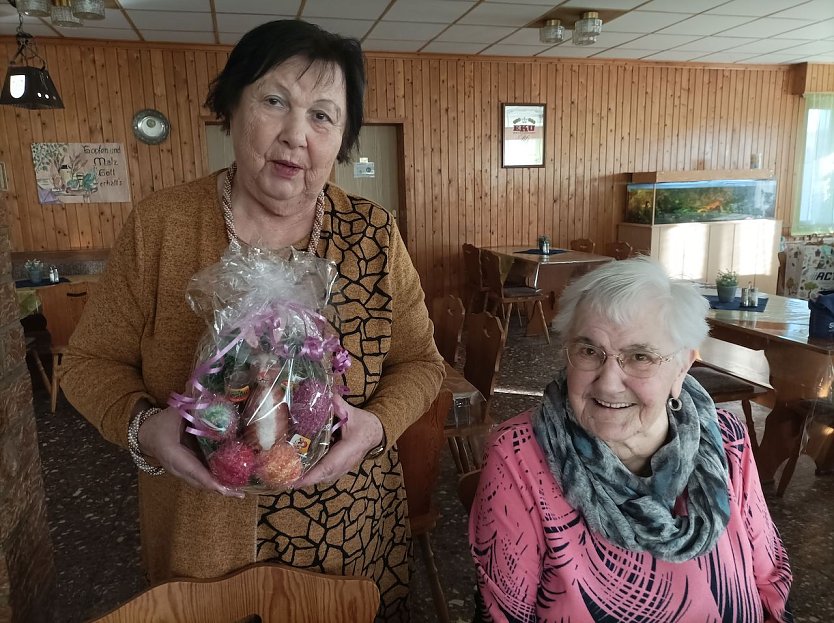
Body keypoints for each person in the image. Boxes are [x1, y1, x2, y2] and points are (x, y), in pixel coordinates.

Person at [61, 19, 444, 621]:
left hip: (347, 528)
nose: (296, 135)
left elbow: (421, 361)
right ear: (231, 108)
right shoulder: (162, 225)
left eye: (323, 115)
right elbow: (87, 363)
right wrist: (142, 428)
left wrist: (377, 426)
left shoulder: (372, 233)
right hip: (201, 539)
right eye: (274, 101)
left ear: (343, 138)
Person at [469, 257, 793, 623]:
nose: (608, 383)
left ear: (682, 367)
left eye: (640, 357)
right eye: (589, 351)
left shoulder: (726, 437)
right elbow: (503, 616)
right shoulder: (518, 456)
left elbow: (770, 578)